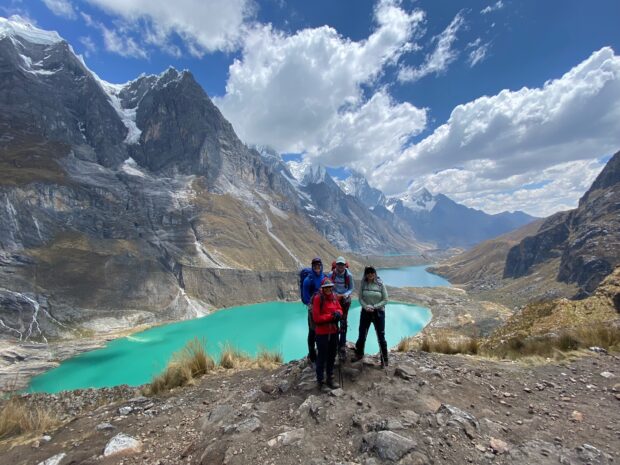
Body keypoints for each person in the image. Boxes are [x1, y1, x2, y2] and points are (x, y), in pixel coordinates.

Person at [355, 266, 389, 367]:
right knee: (362, 334)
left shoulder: (380, 284)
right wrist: (366, 307)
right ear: (366, 274)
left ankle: (384, 359)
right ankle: (359, 354)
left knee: (381, 336)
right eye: (368, 272)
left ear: (375, 273)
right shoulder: (363, 284)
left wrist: (375, 307)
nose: (370, 274)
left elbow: (386, 299)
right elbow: (360, 298)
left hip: (378, 313)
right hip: (366, 312)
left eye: (372, 272)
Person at [312, 278, 342, 389]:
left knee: (332, 355)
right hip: (322, 333)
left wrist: (338, 313)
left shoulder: (334, 297)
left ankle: (330, 378)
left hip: (333, 331)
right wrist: (331, 317)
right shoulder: (317, 299)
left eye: (330, 287)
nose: (328, 289)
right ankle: (321, 381)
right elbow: (316, 318)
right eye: (326, 287)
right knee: (322, 357)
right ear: (322, 288)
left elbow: (339, 308)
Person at [329, 256, 354, 361]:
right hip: (334, 300)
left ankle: (342, 346)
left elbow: (351, 288)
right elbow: (328, 287)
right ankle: (334, 344)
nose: (340, 266)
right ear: (336, 265)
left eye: (342, 264)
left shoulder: (349, 275)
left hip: (343, 300)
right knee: (334, 322)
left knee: (343, 322)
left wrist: (345, 295)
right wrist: (335, 295)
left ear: (345, 265)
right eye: (339, 264)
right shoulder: (331, 275)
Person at [302, 257, 325, 363]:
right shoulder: (308, 280)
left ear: (321, 266)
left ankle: (321, 353)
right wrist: (312, 308)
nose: (317, 267)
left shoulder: (324, 278)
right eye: (315, 265)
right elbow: (306, 298)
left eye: (318, 265)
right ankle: (312, 356)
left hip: (324, 309)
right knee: (312, 332)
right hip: (313, 311)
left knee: (322, 332)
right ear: (312, 266)